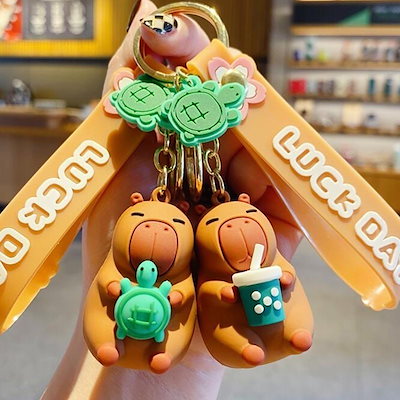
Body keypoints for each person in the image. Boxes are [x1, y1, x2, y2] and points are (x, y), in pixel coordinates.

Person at [43, 1, 302, 399]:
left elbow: (204, 295)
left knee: (283, 317)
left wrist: (224, 293)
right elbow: (139, 291)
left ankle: (279, 337)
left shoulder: (206, 267)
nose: (157, 230)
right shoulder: (133, 265)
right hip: (145, 322)